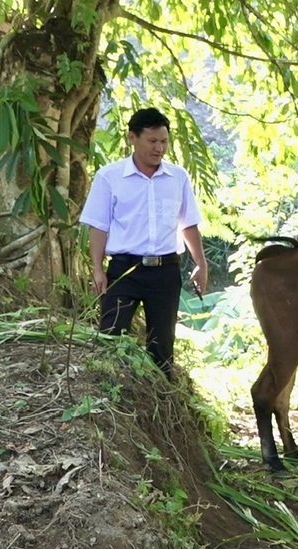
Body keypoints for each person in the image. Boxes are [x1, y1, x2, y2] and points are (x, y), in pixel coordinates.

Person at [79, 107, 208, 379]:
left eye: (164, 142)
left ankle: (162, 395)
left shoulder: (178, 178)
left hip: (165, 271)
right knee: (111, 339)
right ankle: (108, 392)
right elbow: (98, 226)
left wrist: (201, 263)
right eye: (152, 141)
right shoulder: (109, 177)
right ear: (132, 138)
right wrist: (97, 269)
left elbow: (189, 224)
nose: (159, 148)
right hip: (124, 270)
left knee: (162, 348)